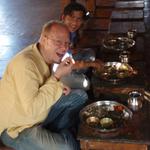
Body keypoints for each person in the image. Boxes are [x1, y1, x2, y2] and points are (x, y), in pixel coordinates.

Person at [0, 20, 88, 150]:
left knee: (80, 96)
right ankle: (63, 136)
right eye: (58, 42)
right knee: (68, 147)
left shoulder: (45, 55)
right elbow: (31, 109)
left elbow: (42, 85)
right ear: (43, 39)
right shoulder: (25, 64)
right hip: (18, 127)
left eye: (67, 43)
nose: (64, 48)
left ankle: (54, 133)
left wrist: (58, 86)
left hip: (39, 115)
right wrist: (57, 77)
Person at [53, 2, 104, 90]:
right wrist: (92, 63)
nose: (74, 23)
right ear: (63, 17)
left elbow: (69, 53)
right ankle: (69, 81)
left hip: (66, 63)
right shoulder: (58, 35)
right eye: (71, 18)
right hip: (56, 73)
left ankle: (78, 73)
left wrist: (73, 51)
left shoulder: (71, 32)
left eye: (79, 19)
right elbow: (66, 64)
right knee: (86, 84)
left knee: (89, 52)